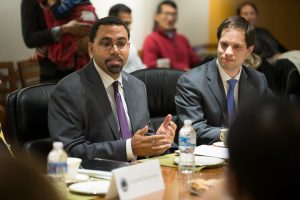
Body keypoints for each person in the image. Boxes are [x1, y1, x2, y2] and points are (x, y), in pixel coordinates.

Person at [48, 17, 177, 161]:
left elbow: (141, 141)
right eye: (106, 43)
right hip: (97, 179)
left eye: (121, 44)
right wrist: (129, 148)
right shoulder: (68, 90)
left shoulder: (137, 87)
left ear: (128, 47)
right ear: (91, 49)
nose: (115, 50)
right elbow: (69, 150)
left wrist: (156, 142)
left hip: (139, 176)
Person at [175, 16, 273, 145]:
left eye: (237, 46)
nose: (228, 52)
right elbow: (194, 129)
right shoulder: (191, 82)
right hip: (204, 157)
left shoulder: (258, 80)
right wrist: (238, 134)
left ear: (248, 50)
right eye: (224, 44)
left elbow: (274, 117)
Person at [21, 0, 92, 83]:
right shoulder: (31, 2)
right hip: (54, 72)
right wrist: (64, 29)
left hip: (83, 66)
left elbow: (92, 22)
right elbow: (29, 39)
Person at [35, 0, 98, 71]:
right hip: (54, 71)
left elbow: (60, 13)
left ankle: (68, 59)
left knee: (68, 41)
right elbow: (30, 39)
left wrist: (51, 2)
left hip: (81, 28)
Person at [142, 0, 200, 70]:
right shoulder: (151, 40)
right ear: (157, 16)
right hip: (168, 80)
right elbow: (150, 67)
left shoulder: (183, 39)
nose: (170, 18)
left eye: (173, 14)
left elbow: (196, 62)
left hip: (189, 78)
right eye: (166, 14)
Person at [108, 3, 146, 73]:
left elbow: (141, 68)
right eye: (125, 23)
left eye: (129, 23)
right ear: (112, 22)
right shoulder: (106, 48)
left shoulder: (131, 45)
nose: (128, 28)